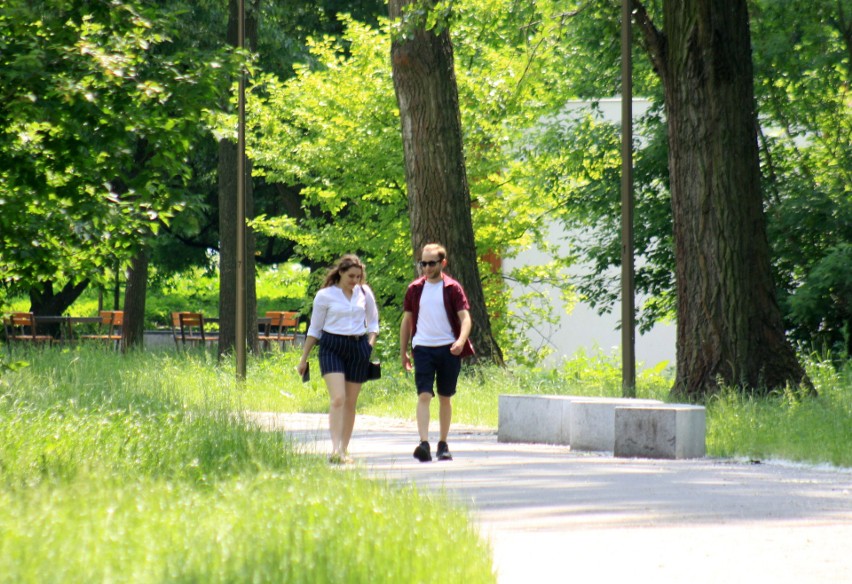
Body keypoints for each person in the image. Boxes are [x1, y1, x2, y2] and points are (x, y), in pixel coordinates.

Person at [297, 254, 379, 464]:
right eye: (351, 276)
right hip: (331, 346)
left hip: (358, 347)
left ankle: (344, 449)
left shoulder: (364, 292)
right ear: (341, 273)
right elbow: (314, 329)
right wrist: (303, 358)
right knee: (338, 399)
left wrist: (369, 346)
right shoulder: (325, 296)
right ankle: (334, 449)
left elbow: (373, 324)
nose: (355, 281)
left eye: (358, 277)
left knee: (351, 402)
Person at [400, 243, 474, 462]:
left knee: (445, 397)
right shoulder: (415, 288)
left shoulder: (452, 288)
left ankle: (443, 443)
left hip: (448, 348)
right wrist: (403, 351)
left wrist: (461, 341)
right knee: (424, 394)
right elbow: (406, 321)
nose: (427, 267)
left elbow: (465, 318)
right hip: (422, 348)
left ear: (443, 263)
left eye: (431, 263)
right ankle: (424, 443)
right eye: (423, 263)